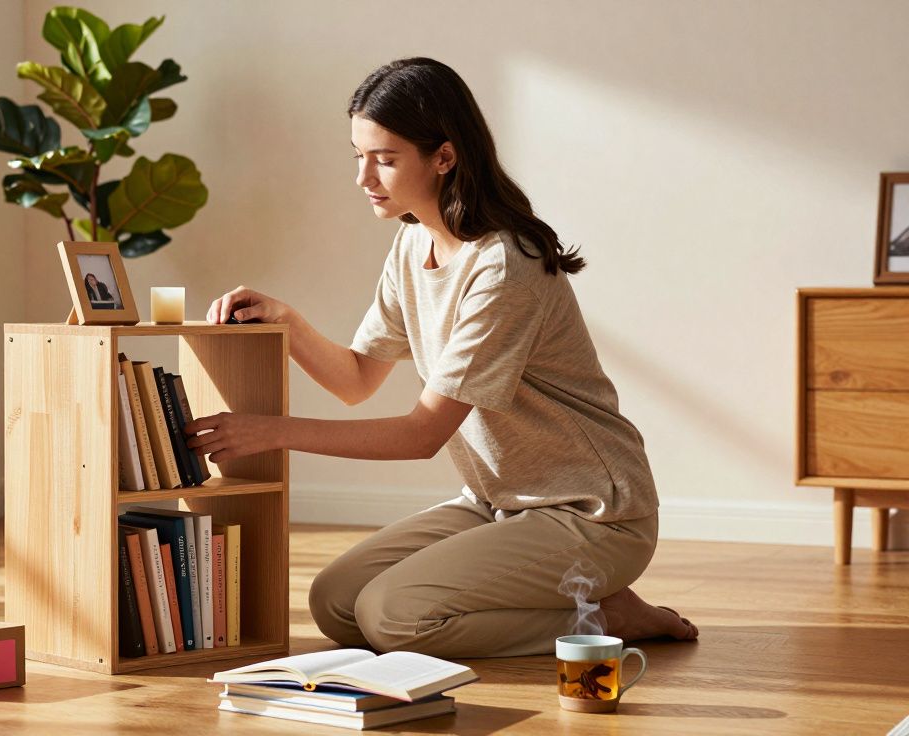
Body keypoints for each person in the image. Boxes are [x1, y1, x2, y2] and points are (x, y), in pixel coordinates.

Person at [183, 57, 698, 658]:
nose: (364, 177)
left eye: (386, 158)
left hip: (593, 515)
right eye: (358, 156)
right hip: (496, 505)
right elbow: (356, 380)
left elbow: (423, 433)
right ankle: (583, 604)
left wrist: (272, 433)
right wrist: (288, 322)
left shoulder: (507, 264)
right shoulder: (412, 244)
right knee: (336, 602)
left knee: (392, 619)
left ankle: (605, 617)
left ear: (444, 158)